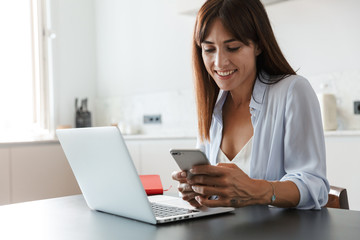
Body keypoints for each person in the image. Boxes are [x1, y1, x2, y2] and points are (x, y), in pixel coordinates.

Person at [172, 0, 329, 210]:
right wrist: (197, 191)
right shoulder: (213, 105)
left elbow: (314, 185)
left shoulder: (292, 91)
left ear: (259, 44)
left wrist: (255, 190)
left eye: (233, 48)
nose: (219, 62)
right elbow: (215, 197)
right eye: (209, 49)